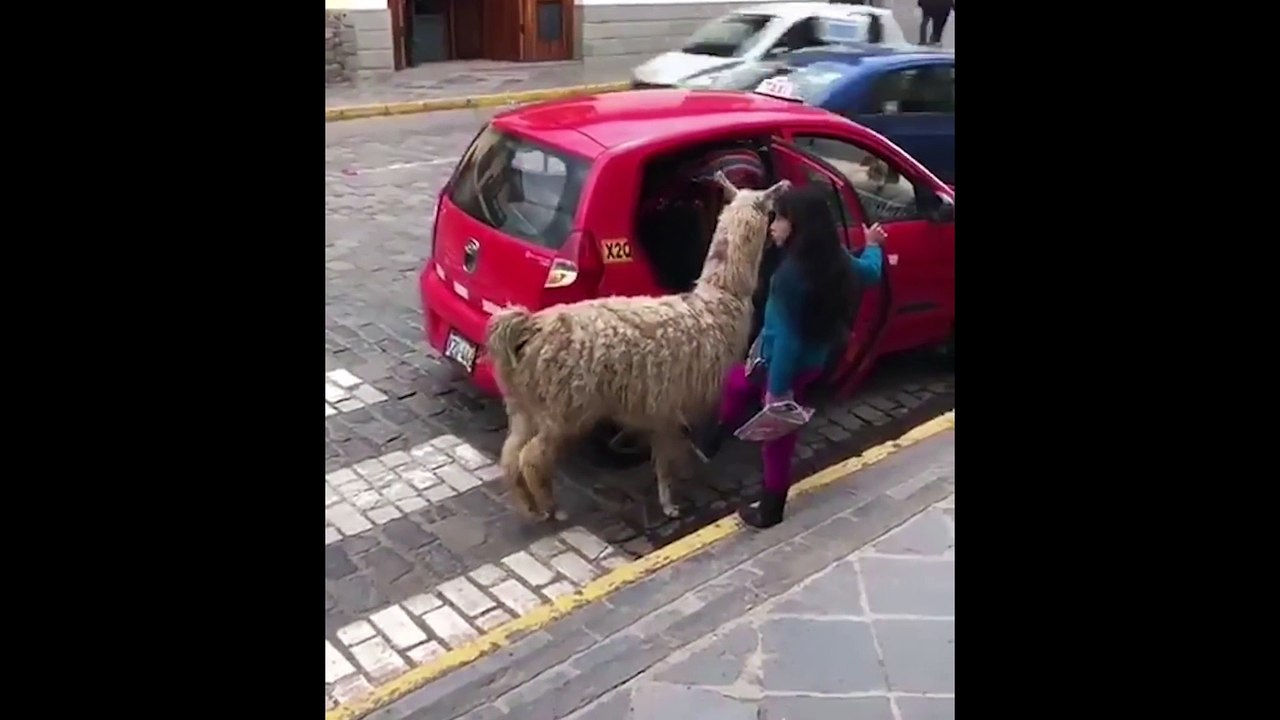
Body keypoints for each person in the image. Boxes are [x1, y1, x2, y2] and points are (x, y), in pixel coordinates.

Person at [695, 184, 886, 529]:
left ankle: (771, 508)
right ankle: (717, 434)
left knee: (777, 440)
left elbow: (787, 339)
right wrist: (873, 247)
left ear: (797, 226)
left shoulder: (788, 278)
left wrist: (777, 394)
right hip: (813, 361)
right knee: (738, 384)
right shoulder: (834, 257)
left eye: (780, 219)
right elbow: (870, 274)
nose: (773, 226)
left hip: (781, 365)